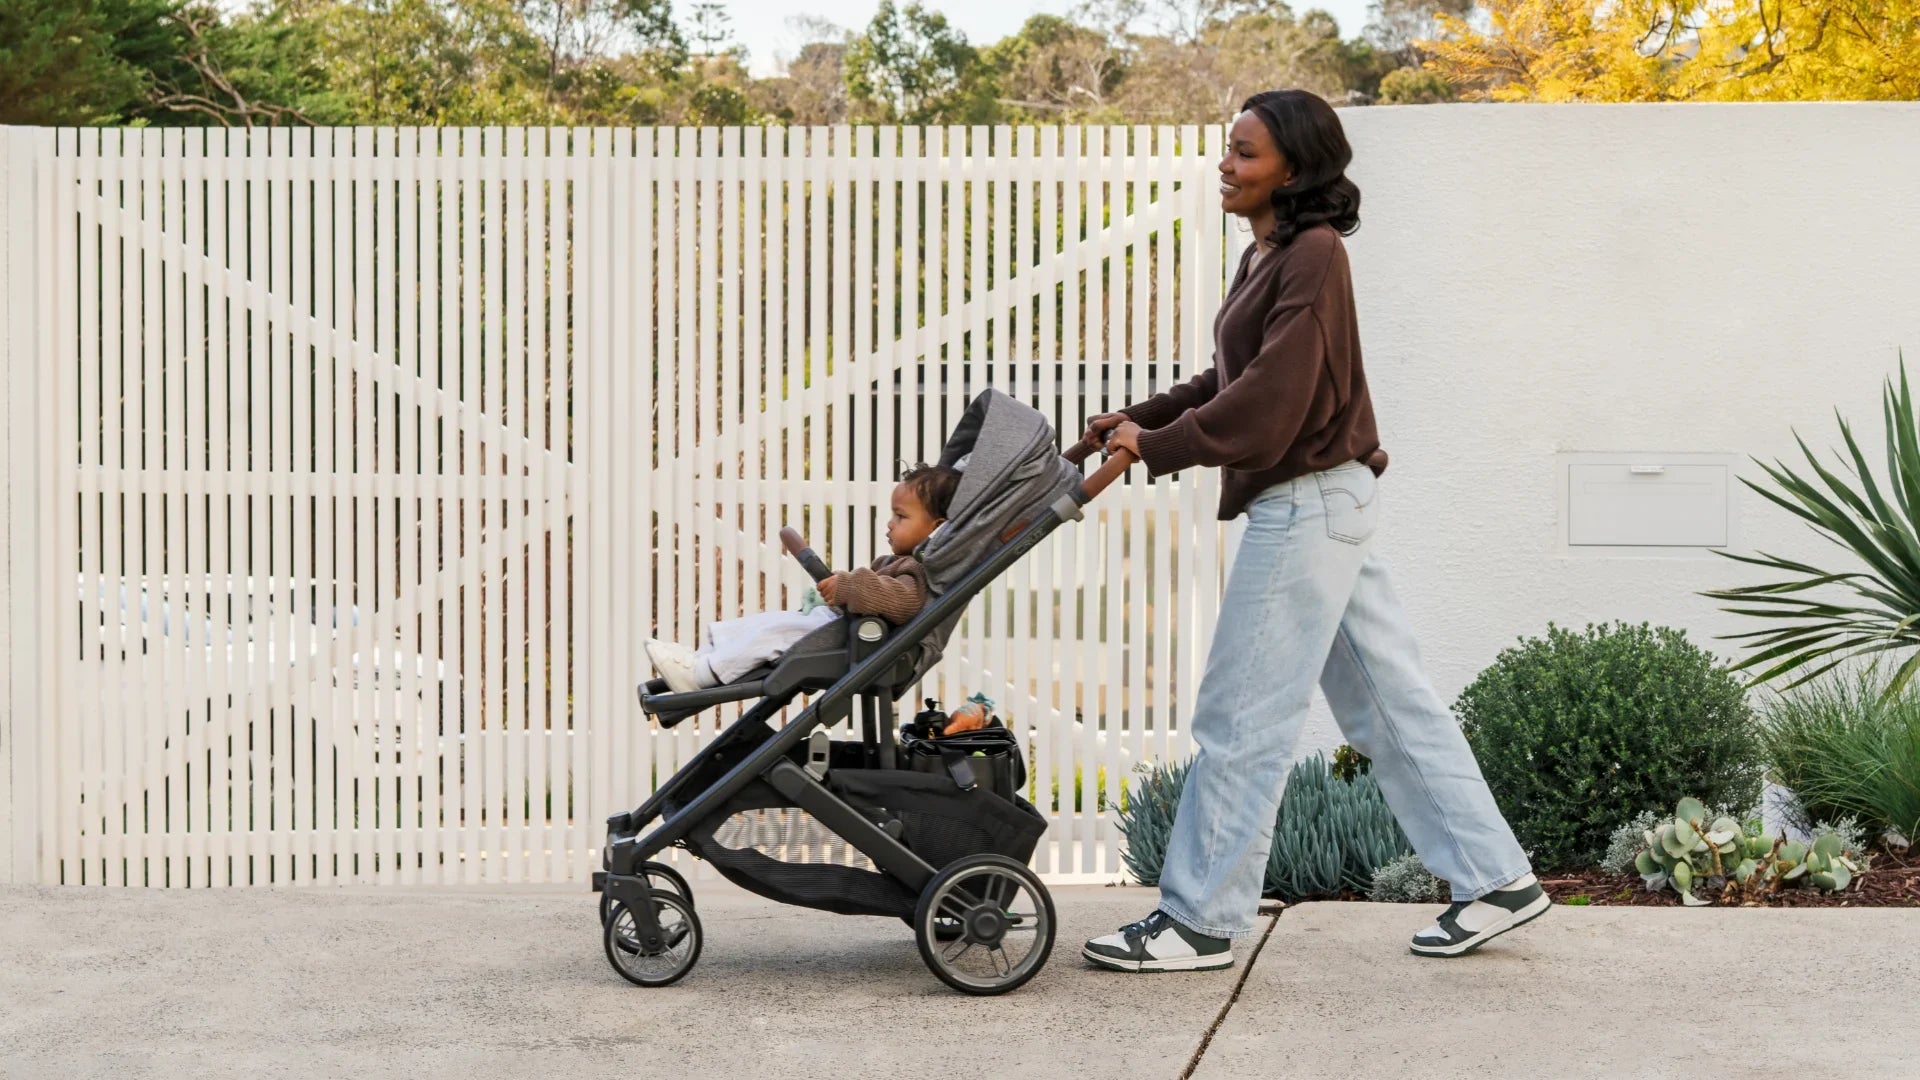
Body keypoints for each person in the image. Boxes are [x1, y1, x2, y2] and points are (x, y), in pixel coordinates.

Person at [1079, 89, 1545, 973]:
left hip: (1308, 505)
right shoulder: (1268, 256)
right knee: (1389, 706)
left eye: (1245, 152)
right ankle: (1497, 880)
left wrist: (1163, 446)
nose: (1226, 164)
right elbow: (1230, 377)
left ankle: (1200, 921)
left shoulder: (1316, 253)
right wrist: (1138, 419)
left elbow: (1271, 398)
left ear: (1293, 169)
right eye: (1228, 148)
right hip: (1326, 501)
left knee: (1241, 715)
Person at [645, 464, 961, 693]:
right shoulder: (894, 562)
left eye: (901, 517)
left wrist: (849, 586)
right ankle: (699, 659)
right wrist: (839, 586)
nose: (890, 524)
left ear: (936, 529)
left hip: (851, 639)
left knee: (774, 633)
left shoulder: (917, 570)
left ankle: (702, 675)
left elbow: (903, 600)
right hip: (840, 627)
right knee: (765, 624)